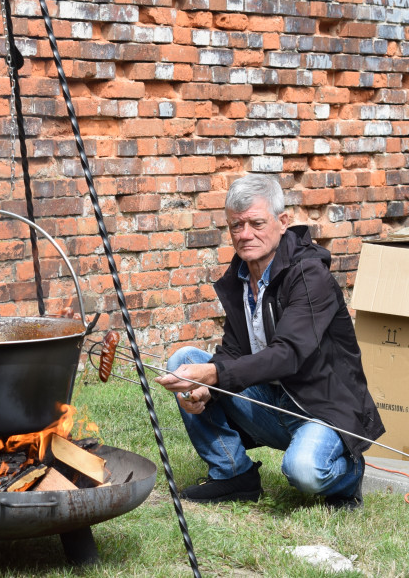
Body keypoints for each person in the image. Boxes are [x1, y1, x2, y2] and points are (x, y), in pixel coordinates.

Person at [155, 174, 384, 507]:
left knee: (304, 472)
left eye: (256, 223)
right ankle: (233, 475)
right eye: (236, 226)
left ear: (283, 222)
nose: (245, 235)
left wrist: (216, 376)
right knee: (183, 363)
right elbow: (233, 352)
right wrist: (206, 388)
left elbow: (288, 354)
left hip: (319, 407)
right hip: (267, 399)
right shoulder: (240, 277)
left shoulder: (310, 275)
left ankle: (348, 474)